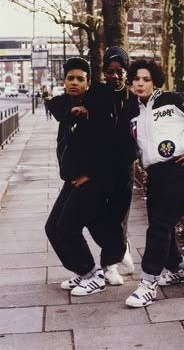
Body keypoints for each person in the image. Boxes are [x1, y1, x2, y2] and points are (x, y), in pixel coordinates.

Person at [115, 59, 184, 308]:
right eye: (136, 79)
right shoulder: (133, 109)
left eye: (146, 79)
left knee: (159, 226)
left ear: (155, 81)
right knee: (163, 225)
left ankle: (148, 283)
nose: (140, 83)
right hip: (155, 174)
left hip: (178, 170)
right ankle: (178, 268)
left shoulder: (174, 100)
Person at [60, 47, 138, 288]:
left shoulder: (134, 99)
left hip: (123, 169)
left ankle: (109, 265)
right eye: (109, 71)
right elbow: (67, 104)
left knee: (117, 217)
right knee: (95, 216)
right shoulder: (97, 93)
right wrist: (79, 110)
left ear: (127, 73)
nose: (114, 76)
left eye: (120, 71)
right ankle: (116, 251)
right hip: (101, 168)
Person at [45, 57, 120, 296]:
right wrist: (70, 109)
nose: (74, 83)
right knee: (52, 228)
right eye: (70, 78)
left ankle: (92, 275)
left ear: (88, 83)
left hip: (96, 179)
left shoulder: (96, 105)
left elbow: (110, 148)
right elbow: (56, 105)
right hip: (74, 178)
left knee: (68, 227)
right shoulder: (66, 106)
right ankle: (81, 271)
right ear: (64, 81)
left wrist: (89, 174)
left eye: (80, 79)